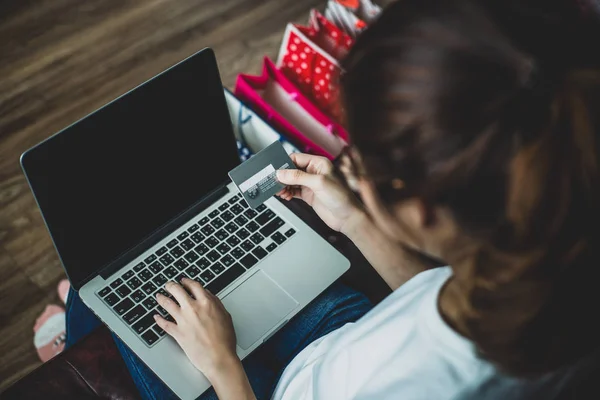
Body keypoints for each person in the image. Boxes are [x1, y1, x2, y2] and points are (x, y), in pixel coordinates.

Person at [65, 0, 600, 398]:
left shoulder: (416, 384)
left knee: (94, 297)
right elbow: (435, 299)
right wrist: (356, 222)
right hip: (348, 338)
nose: (350, 163)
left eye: (358, 156)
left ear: (427, 212)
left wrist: (223, 365)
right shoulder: (545, 266)